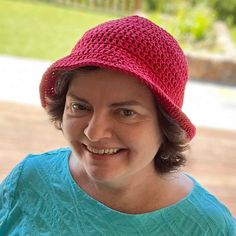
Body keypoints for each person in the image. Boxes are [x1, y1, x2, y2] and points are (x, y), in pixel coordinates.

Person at [0, 15, 235, 236]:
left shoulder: (208, 228)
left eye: (126, 112)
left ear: (166, 125)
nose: (93, 132)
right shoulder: (29, 179)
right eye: (80, 107)